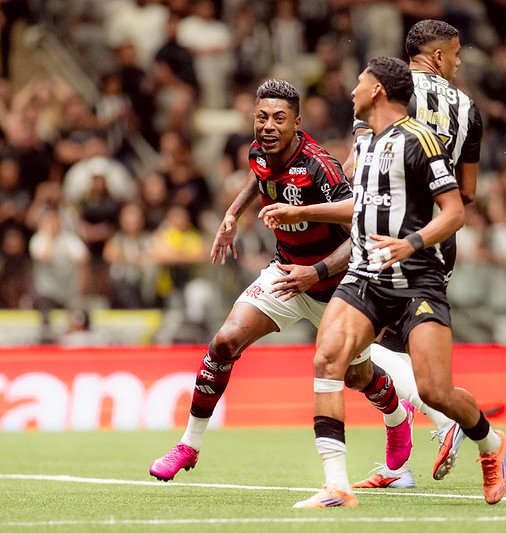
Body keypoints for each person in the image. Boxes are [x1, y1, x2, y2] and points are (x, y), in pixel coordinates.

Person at [148, 79, 415, 481]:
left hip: (335, 287)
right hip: (286, 273)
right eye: (261, 117)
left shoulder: (320, 167)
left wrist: (316, 272)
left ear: (297, 123)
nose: (268, 126)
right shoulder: (259, 151)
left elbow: (359, 230)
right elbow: (259, 178)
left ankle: (397, 417)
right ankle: (189, 445)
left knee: (356, 376)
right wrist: (233, 215)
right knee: (223, 342)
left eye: (278, 119)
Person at [282, 56, 506, 509]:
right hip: (365, 278)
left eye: (359, 82)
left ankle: (489, 442)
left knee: (434, 391)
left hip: (417, 281)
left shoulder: (419, 140)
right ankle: (336, 487)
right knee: (328, 361)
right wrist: (303, 212)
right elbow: (360, 208)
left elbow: (456, 211)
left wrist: (412, 243)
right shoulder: (368, 145)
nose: (352, 91)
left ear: (379, 90)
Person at [342, 19, 485, 487]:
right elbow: (466, 191)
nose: (459, 62)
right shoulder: (469, 109)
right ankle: (405, 456)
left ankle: (437, 425)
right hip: (437, 242)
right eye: (457, 54)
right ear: (440, 57)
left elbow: (359, 165)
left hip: (383, 233)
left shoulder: (384, 92)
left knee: (356, 347)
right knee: (387, 341)